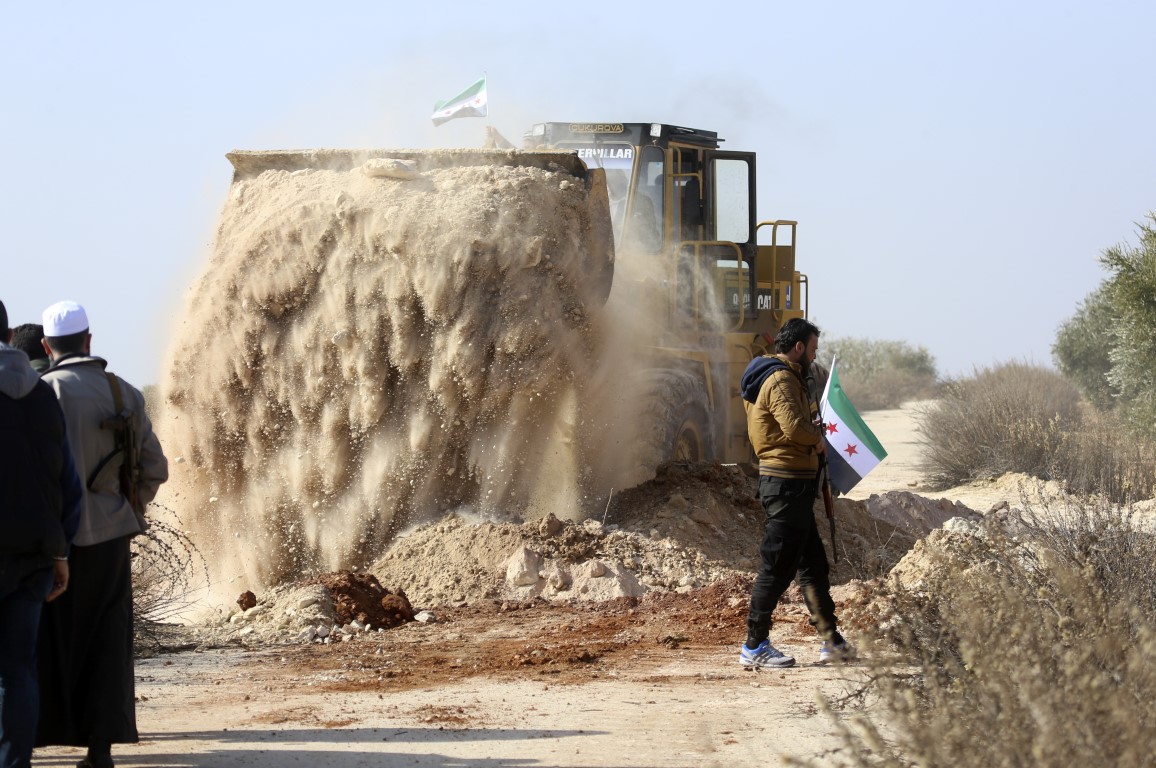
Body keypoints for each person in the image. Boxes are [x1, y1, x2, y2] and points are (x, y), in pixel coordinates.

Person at [35, 301, 168, 768]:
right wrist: (127, 508)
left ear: (48, 346)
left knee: (48, 642)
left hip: (55, 542)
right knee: (107, 639)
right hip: (112, 538)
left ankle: (38, 738)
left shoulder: (40, 392)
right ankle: (101, 750)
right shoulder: (124, 393)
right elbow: (155, 467)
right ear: (90, 341)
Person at [736, 317, 852, 668]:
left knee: (812, 566)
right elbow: (793, 427)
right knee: (778, 564)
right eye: (813, 349)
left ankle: (831, 640)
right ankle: (754, 645)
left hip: (795, 485)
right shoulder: (781, 378)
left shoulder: (785, 377)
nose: (815, 356)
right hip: (784, 483)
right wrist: (817, 440)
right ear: (798, 347)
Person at [0, 299, 82, 768]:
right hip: (34, 553)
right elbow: (65, 482)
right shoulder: (41, 394)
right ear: (9, 334)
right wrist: (61, 550)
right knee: (17, 669)